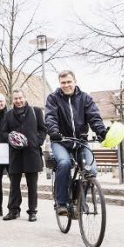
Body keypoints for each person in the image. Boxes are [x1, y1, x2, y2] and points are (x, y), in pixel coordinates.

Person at [45, 70, 107, 216]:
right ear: (59, 84)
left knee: (91, 170)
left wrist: (101, 132)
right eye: (63, 83)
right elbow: (50, 117)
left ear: (75, 81)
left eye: (69, 82)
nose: (66, 85)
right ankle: (62, 203)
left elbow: (94, 117)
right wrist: (54, 131)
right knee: (64, 163)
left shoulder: (85, 98)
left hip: (80, 141)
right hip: (61, 140)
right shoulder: (53, 98)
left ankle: (79, 199)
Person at [2, 89, 46, 222]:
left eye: (20, 98)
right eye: (16, 98)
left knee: (32, 185)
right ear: (12, 100)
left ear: (25, 97)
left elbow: (43, 129)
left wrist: (37, 141)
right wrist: (11, 137)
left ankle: (32, 211)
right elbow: (3, 132)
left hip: (32, 153)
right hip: (15, 154)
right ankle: (13, 210)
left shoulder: (36, 111)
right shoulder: (8, 115)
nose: (18, 100)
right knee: (14, 184)